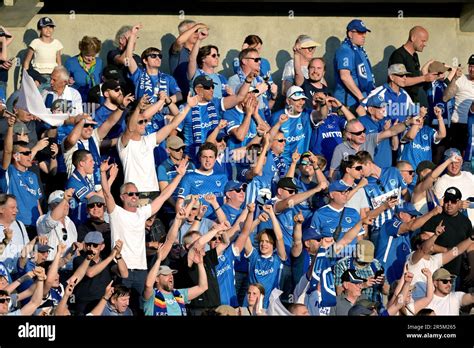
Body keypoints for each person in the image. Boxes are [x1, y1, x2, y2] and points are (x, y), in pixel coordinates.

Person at [100, 156, 186, 314]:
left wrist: (179, 175)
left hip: (141, 271)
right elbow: (106, 194)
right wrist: (103, 173)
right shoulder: (116, 212)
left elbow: (163, 196)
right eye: (131, 193)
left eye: (137, 194)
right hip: (121, 269)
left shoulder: (142, 213)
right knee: (120, 310)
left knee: (143, 309)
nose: (135, 196)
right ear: (122, 197)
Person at [118, 93, 194, 193]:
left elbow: (173, 124)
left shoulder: (149, 139)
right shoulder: (124, 143)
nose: (144, 124)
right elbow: (130, 129)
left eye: (145, 121)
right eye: (140, 122)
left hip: (154, 192)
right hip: (135, 194)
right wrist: (137, 109)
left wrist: (188, 106)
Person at [329, 118, 414, 179]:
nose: (363, 135)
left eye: (364, 131)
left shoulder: (369, 139)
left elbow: (391, 131)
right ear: (349, 135)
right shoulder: (340, 149)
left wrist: (407, 123)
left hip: (369, 183)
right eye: (358, 133)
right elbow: (332, 173)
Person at [1, 116, 43, 237]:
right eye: (26, 153)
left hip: (35, 227)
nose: (30, 155)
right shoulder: (9, 172)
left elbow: (37, 203)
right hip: (17, 225)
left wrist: (41, 226)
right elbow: (7, 150)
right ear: (16, 156)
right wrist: (10, 127)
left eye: (30, 152)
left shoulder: (32, 175)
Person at [407, 227, 474, 300]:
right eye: (427, 240)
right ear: (418, 246)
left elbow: (456, 251)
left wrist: (471, 238)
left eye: (432, 239)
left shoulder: (435, 259)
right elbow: (423, 250)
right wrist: (435, 235)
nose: (432, 241)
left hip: (431, 303)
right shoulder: (412, 257)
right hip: (415, 301)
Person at [421, 187, 473, 281]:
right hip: (435, 274)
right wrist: (448, 251)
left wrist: (472, 270)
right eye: (446, 200)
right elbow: (425, 243)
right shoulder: (434, 218)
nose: (449, 204)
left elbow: (470, 246)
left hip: (456, 273)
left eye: (453, 201)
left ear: (459, 202)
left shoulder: (465, 221)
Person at [73, 232, 128, 315]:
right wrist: (110, 257)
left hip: (104, 304)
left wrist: (118, 255)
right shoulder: (79, 259)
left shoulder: (107, 260)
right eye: (88, 245)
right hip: (84, 305)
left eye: (95, 245)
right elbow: (90, 273)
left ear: (102, 247)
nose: (91, 248)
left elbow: (124, 274)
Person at [144, 245, 208, 316]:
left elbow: (203, 287)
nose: (171, 277)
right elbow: (148, 284)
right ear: (156, 279)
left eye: (171, 274)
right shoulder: (152, 296)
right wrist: (159, 259)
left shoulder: (179, 294)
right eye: (166, 274)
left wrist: (200, 264)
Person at [388, 26, 439, 106]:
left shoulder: (415, 56)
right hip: (400, 102)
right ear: (413, 38)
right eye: (423, 41)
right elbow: (400, 81)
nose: (424, 44)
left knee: (418, 118)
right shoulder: (398, 55)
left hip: (413, 101)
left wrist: (431, 77)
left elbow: (415, 79)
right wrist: (424, 78)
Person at [176, 142, 229, 219]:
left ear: (215, 159)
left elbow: (226, 203)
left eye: (211, 157)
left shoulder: (222, 177)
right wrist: (180, 221)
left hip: (217, 222)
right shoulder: (189, 177)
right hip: (197, 223)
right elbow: (180, 203)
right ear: (200, 158)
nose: (208, 160)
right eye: (205, 157)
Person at [334, 19, 375, 110]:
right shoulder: (345, 50)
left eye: (364, 32)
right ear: (350, 34)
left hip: (361, 100)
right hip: (348, 103)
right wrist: (361, 98)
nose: (364, 35)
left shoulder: (359, 50)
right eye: (360, 32)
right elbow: (345, 76)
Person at [270, 86, 313, 166]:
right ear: (288, 101)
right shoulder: (276, 117)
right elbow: (270, 140)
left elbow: (321, 115)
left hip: (302, 164)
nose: (301, 103)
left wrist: (323, 104)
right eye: (297, 100)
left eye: (303, 99)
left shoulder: (307, 114)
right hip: (282, 165)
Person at [334, 240, 388, 304]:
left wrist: (382, 284)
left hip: (375, 305)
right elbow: (339, 293)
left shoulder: (376, 264)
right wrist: (362, 285)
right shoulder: (343, 265)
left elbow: (386, 291)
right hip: (353, 306)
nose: (366, 262)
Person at [443, 55, 474, 158]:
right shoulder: (461, 79)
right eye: (470, 66)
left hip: (473, 127)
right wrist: (454, 78)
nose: (472, 69)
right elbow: (446, 97)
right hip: (459, 125)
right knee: (455, 157)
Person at [169, 20, 209, 97]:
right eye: (194, 30)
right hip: (181, 96)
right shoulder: (178, 50)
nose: (197, 33)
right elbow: (180, 41)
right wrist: (197, 26)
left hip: (199, 96)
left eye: (197, 31)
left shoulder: (200, 51)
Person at [36, 189, 77, 262]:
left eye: (67, 202)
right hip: (51, 267)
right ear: (50, 206)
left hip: (70, 268)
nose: (66, 205)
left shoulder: (71, 223)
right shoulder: (42, 219)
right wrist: (64, 200)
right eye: (60, 202)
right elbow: (51, 221)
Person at [187, 32, 228, 99]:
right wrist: (199, 40)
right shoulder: (196, 74)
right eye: (213, 55)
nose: (217, 57)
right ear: (203, 59)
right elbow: (192, 59)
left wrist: (231, 95)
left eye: (218, 55)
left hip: (217, 108)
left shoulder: (221, 78)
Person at [65, 149, 101, 225]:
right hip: (79, 224)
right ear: (81, 163)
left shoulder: (86, 179)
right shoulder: (74, 182)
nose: (94, 163)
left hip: (87, 222)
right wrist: (110, 177)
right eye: (91, 161)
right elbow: (98, 197)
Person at [22, 17, 63, 82]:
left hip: (53, 76)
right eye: (45, 27)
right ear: (40, 29)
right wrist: (26, 78)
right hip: (37, 77)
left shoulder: (57, 43)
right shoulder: (35, 42)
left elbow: (59, 63)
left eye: (51, 27)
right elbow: (27, 61)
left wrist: (60, 76)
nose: (48, 29)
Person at [64, 36, 103, 102]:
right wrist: (67, 82)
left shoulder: (99, 62)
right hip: (77, 99)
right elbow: (64, 83)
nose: (90, 59)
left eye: (93, 55)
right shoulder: (71, 62)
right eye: (87, 55)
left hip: (95, 99)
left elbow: (101, 82)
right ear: (81, 50)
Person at [0, 194, 30, 275]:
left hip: (21, 273)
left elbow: (27, 251)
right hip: (2, 277)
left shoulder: (20, 225)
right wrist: (6, 240)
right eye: (12, 208)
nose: (16, 211)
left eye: (16, 208)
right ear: (1, 209)